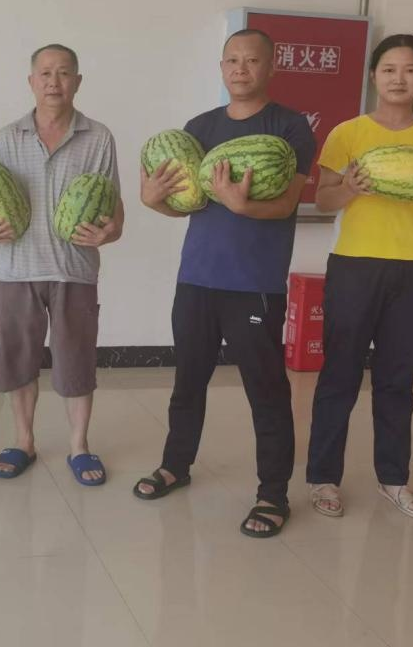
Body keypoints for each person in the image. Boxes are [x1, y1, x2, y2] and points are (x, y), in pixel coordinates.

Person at [135, 29, 315, 538]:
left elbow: (287, 204)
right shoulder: (199, 127)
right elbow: (185, 205)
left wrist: (244, 206)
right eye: (232, 60)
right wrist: (153, 201)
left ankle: (273, 493)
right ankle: (175, 465)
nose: (240, 68)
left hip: (254, 282)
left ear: (270, 67)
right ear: (221, 67)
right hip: (196, 276)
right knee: (188, 380)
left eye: (251, 60)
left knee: (266, 389)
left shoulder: (290, 126)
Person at [306, 33, 413, 520]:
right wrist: (349, 188)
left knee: (397, 381)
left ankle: (393, 479)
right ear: (374, 75)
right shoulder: (348, 134)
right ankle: (324, 478)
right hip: (355, 266)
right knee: (339, 375)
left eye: (410, 70)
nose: (399, 79)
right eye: (390, 69)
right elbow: (323, 200)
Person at [0, 44, 124, 485]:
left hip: (76, 270)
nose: (54, 82)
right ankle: (23, 442)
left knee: (77, 363)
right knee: (17, 361)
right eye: (46, 73)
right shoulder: (5, 138)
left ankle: (79, 446)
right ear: (31, 81)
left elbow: (113, 208)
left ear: (78, 81)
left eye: (64, 73)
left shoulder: (99, 137)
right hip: (17, 270)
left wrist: (109, 232)